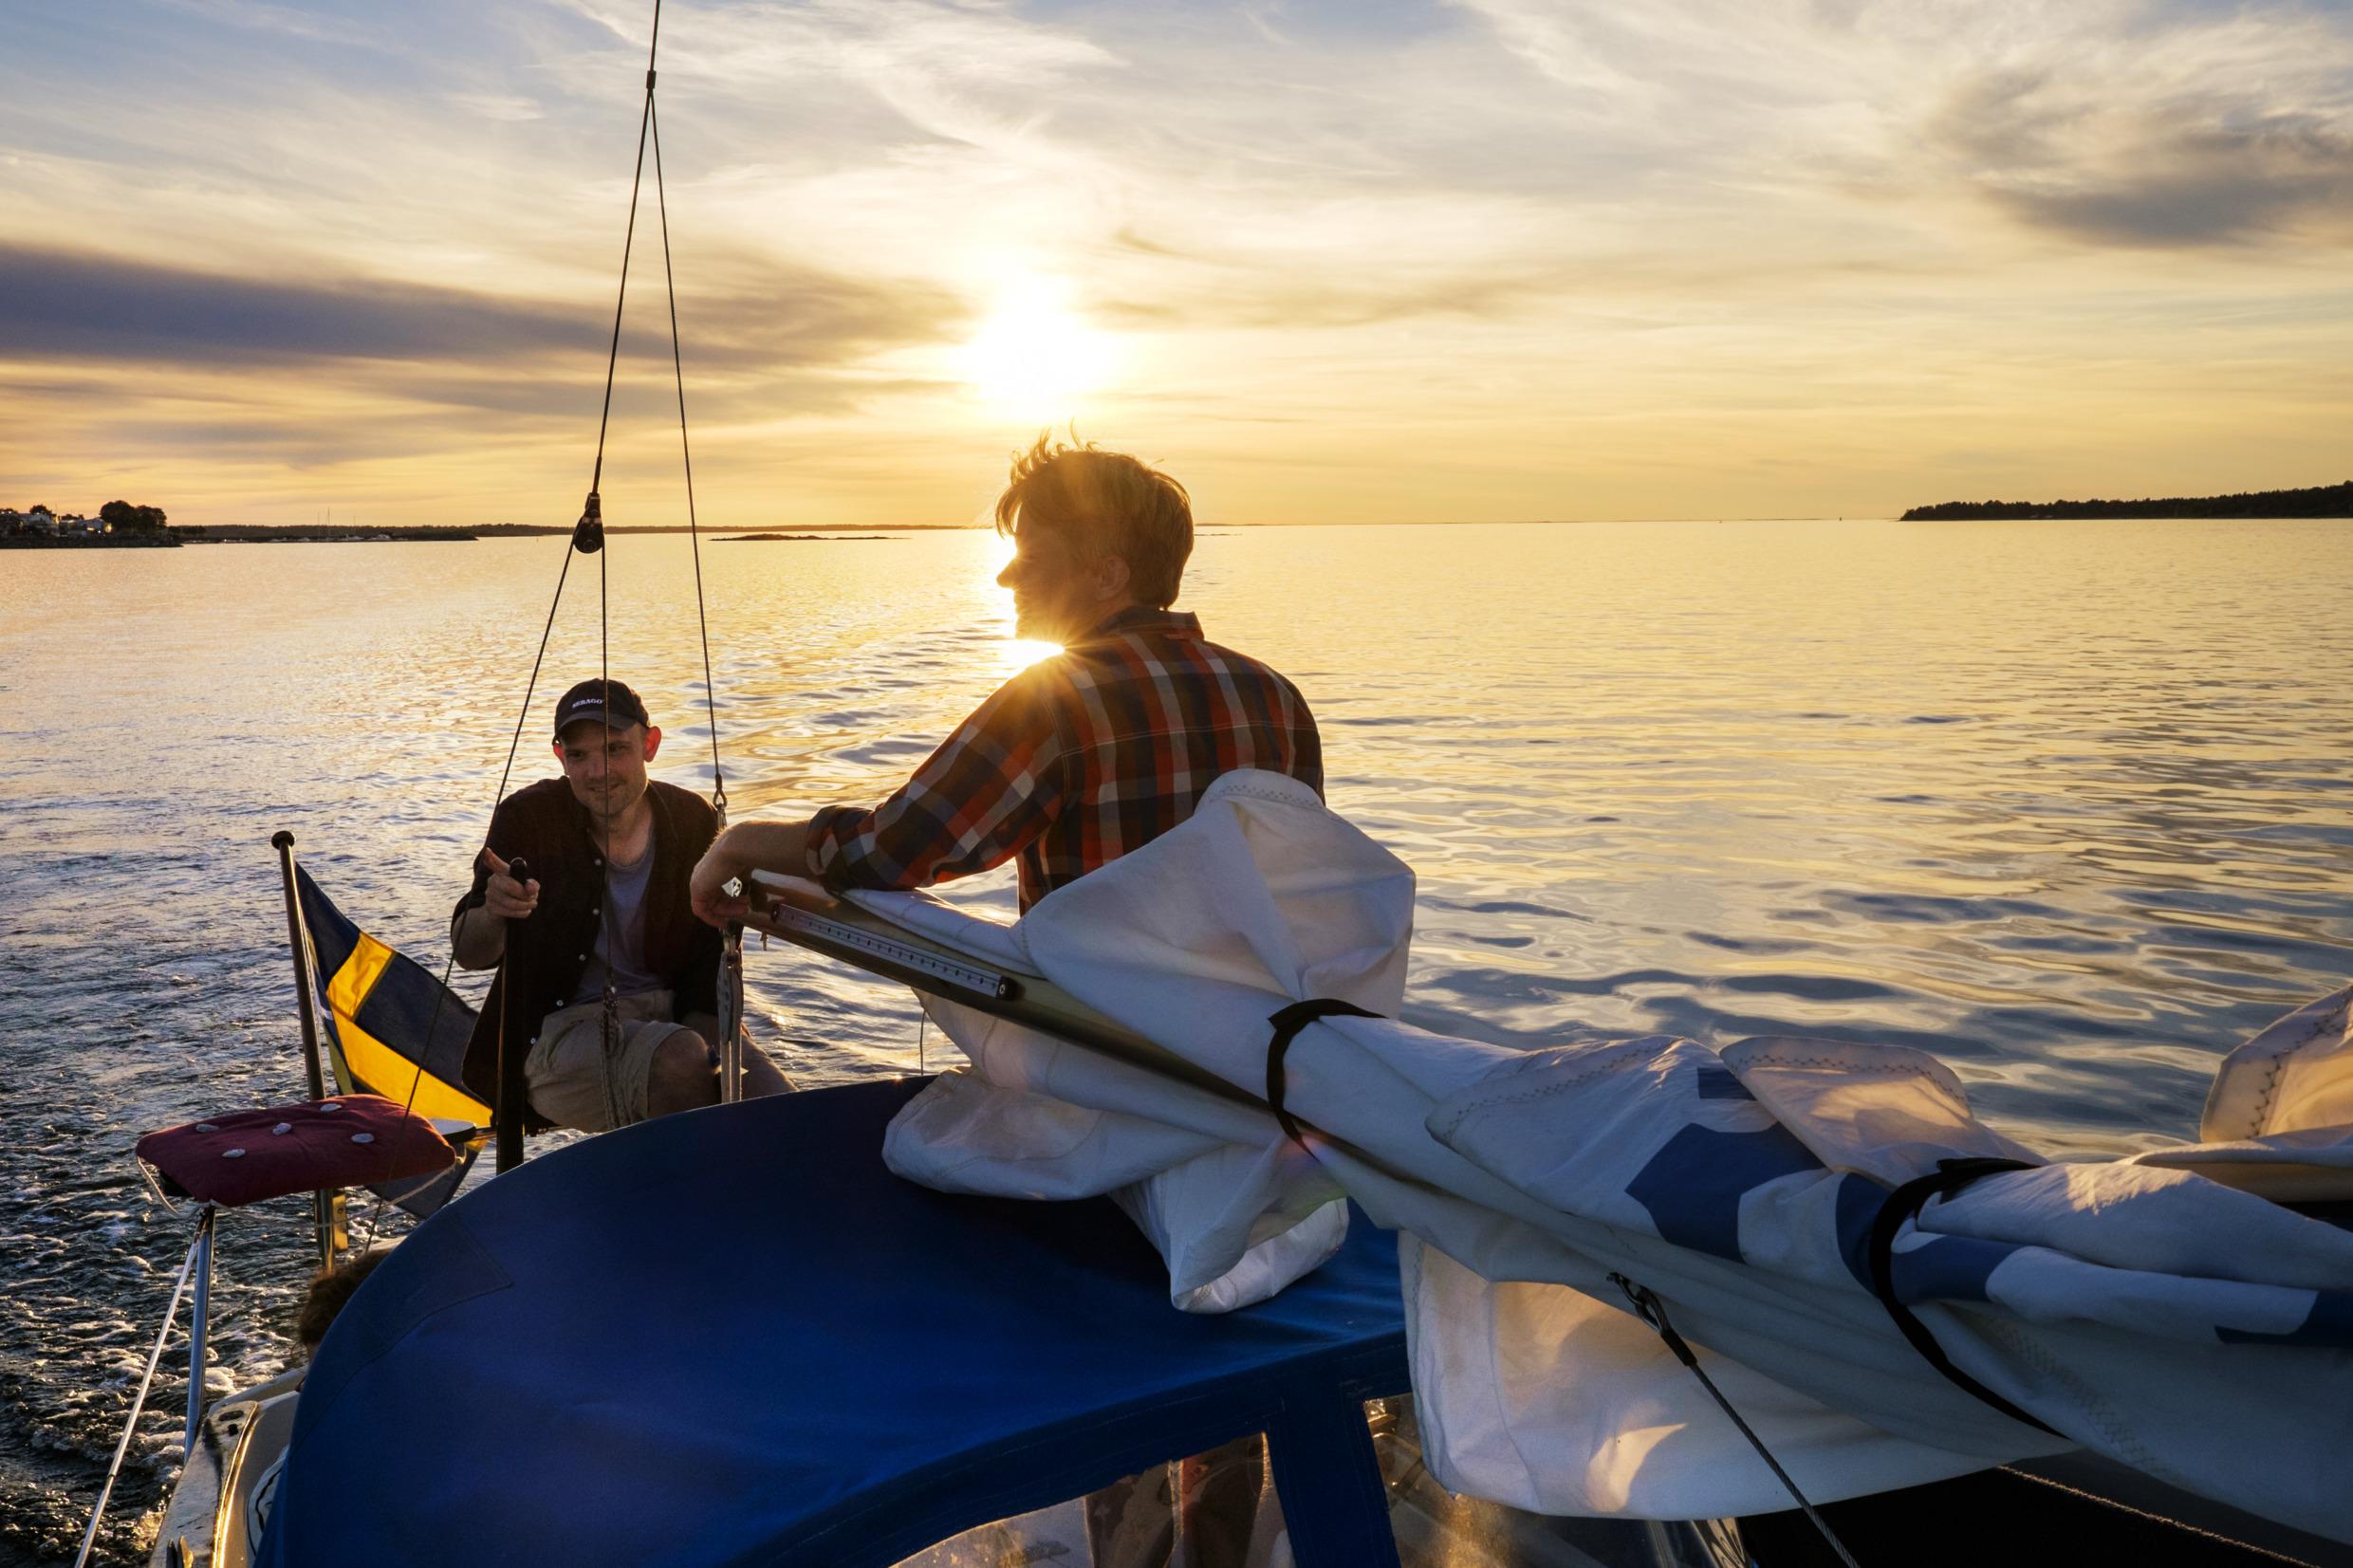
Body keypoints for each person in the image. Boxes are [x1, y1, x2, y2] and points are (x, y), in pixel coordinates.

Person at [688, 434, 1324, 926]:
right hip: (1247, 1059)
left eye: (1030, 560)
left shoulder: (1055, 700)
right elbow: (1302, 888)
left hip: (1098, 1051)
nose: (1005, 580)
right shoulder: (1279, 702)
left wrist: (741, 844)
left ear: (1107, 574)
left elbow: (894, 849)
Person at [454, 677, 790, 1132]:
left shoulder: (693, 821)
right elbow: (469, 954)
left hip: (681, 1018)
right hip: (558, 1034)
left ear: (650, 744)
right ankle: (685, 1197)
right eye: (579, 756)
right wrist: (495, 912)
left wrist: (719, 1047)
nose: (598, 771)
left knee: (787, 1117)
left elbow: (713, 948)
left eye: (615, 749)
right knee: (680, 1064)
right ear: (560, 757)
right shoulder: (528, 818)